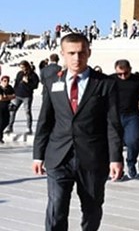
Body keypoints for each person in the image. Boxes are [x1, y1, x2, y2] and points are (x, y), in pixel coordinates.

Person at [32, 33, 124, 230]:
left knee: (92, 209)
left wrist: (115, 158)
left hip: (92, 157)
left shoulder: (105, 83)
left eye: (81, 53)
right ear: (63, 54)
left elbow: (113, 123)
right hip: (59, 156)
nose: (77, 58)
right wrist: (37, 155)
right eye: (71, 53)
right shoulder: (52, 81)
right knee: (56, 208)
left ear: (89, 52)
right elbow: (45, 120)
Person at [112, 59, 139, 179]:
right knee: (115, 144)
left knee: (133, 141)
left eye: (125, 73)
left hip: (132, 116)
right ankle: (118, 168)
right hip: (114, 116)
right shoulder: (111, 80)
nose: (122, 76)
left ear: (130, 69)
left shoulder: (138, 80)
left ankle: (131, 163)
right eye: (119, 74)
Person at [7, 60, 40, 134]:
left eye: (23, 67)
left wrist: (27, 82)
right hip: (17, 95)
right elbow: (16, 84)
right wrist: (13, 93)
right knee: (12, 111)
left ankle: (28, 128)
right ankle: (9, 127)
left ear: (26, 66)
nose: (22, 69)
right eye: (21, 67)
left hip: (27, 96)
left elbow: (35, 86)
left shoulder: (33, 75)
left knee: (27, 112)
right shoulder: (19, 74)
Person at [0, 75, 16, 143]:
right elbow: (1, 98)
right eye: (4, 81)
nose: (6, 82)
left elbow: (14, 96)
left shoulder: (9, 88)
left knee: (6, 122)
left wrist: (6, 97)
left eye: (7, 81)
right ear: (1, 81)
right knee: (0, 122)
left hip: (6, 107)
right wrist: (7, 97)